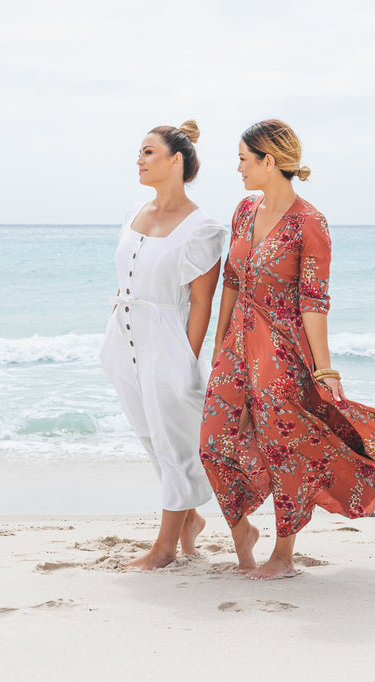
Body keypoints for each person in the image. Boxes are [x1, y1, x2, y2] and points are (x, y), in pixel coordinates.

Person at [200, 119, 375, 579]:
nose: (237, 167)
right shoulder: (243, 210)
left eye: (244, 158)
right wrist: (217, 344)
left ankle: (283, 553)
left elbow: (314, 302)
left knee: (285, 450)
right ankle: (242, 529)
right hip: (236, 348)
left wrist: (324, 372)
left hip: (282, 351)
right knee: (212, 442)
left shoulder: (310, 223)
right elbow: (231, 282)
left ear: (269, 161)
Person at [99, 120, 228, 570]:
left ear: (177, 161)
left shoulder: (203, 228)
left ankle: (165, 547)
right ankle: (190, 521)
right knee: (150, 436)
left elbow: (201, 302)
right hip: (124, 339)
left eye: (148, 152)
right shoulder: (136, 211)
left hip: (167, 341)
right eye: (139, 151)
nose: (139, 159)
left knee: (175, 442)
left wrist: (185, 359)